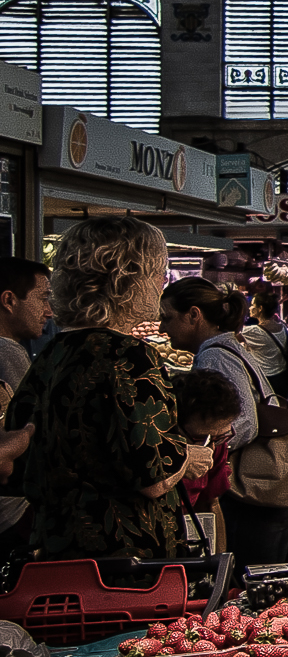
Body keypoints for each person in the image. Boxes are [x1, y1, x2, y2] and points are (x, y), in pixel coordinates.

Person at [4, 217, 205, 559]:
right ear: (128, 279)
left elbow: (18, 464)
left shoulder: (52, 354)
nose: (161, 282)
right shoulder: (131, 356)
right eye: (157, 271)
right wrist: (189, 457)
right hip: (128, 562)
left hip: (58, 552)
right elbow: (152, 477)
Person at [160, 277, 288, 566]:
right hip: (268, 494)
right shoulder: (228, 346)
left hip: (255, 494)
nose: (163, 328)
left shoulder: (215, 356)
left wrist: (204, 451)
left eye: (167, 318)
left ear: (194, 315)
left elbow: (245, 421)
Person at [149, 368, 243, 550]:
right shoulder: (155, 447)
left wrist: (219, 562)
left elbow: (211, 502)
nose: (209, 446)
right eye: (201, 438)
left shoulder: (216, 444)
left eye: (221, 436)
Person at [0, 258, 51, 546]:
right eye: (42, 298)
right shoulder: (7, 351)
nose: (49, 311)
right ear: (9, 300)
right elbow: (29, 428)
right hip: (10, 516)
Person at [241, 287, 288, 395]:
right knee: (280, 409)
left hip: (264, 380)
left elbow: (230, 336)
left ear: (260, 308)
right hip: (282, 378)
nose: (250, 308)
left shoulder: (253, 331)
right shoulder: (282, 327)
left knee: (266, 410)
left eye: (252, 305)